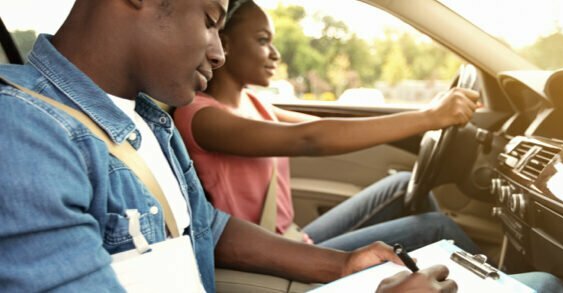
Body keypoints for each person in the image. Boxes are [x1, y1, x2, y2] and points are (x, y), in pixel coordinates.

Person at [0, 0, 451, 291]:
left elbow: (205, 226)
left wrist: (339, 266)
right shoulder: (24, 131)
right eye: (211, 21)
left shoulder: (151, 120)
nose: (219, 52)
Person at [174, 0, 480, 252]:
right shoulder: (201, 117)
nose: (276, 55)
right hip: (268, 253)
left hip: (291, 237)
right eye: (263, 41)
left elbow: (323, 127)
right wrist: (430, 116)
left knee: (401, 185)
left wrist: (424, 119)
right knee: (437, 229)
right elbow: (310, 139)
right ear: (224, 44)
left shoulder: (252, 102)